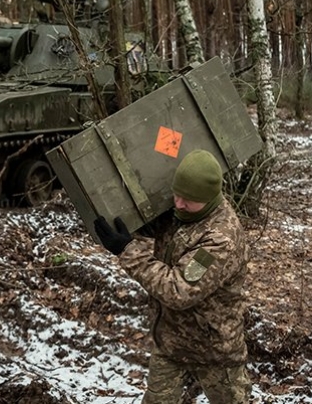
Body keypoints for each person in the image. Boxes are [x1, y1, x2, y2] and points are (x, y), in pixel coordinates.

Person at [93, 149, 251, 403]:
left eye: (187, 200)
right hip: (171, 342)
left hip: (213, 350)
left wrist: (127, 250)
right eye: (176, 195)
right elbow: (170, 233)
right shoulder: (185, 210)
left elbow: (178, 290)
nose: (178, 204)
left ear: (209, 198)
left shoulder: (220, 239)